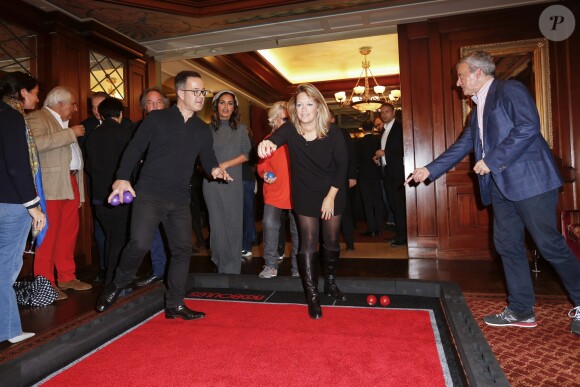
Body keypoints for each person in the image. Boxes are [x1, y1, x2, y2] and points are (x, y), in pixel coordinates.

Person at [406, 50, 580, 335]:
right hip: (500, 187)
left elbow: (528, 127)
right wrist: (429, 169)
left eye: (461, 76)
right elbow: (463, 146)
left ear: (477, 72)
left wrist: (492, 160)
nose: (458, 83)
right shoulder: (477, 111)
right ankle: (521, 311)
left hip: (530, 182)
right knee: (507, 247)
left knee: (549, 245)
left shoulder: (509, 89)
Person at [96, 71, 231, 320]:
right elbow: (134, 148)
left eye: (203, 92)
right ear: (181, 93)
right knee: (139, 244)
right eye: (196, 91)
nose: (201, 96)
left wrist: (215, 170)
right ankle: (117, 283)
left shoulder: (202, 130)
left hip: (179, 199)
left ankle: (175, 304)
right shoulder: (157, 119)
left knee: (181, 250)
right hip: (149, 194)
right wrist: (123, 176)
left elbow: (208, 159)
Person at [257, 84, 348, 319]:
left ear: (318, 106)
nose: (304, 109)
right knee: (307, 243)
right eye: (299, 104)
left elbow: (342, 168)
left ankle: (329, 282)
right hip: (305, 194)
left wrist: (330, 198)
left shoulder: (332, 132)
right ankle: (313, 297)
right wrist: (265, 144)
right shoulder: (290, 129)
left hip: (332, 192)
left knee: (330, 242)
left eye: (309, 104)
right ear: (293, 108)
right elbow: (275, 139)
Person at [28, 86, 92, 300]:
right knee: (48, 236)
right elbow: (35, 145)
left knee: (68, 234)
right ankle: (45, 282)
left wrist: (80, 193)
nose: (75, 108)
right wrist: (69, 133)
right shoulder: (38, 117)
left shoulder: (64, 122)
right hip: (51, 185)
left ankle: (66, 276)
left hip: (70, 181)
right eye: (72, 103)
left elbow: (75, 159)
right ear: (60, 103)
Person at [0, 72, 46, 344]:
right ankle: (8, 330)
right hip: (12, 203)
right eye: (36, 92)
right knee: (6, 269)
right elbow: (17, 165)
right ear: (22, 92)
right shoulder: (13, 117)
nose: (37, 98)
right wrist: (33, 206)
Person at [80, 91, 133, 282]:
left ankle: (111, 278)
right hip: (121, 196)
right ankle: (117, 282)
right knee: (120, 239)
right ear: (120, 114)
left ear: (101, 115)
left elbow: (90, 167)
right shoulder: (126, 135)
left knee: (110, 237)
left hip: (99, 196)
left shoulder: (92, 137)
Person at [203, 90, 251, 274]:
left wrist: (225, 164)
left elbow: (247, 154)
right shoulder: (206, 129)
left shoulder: (241, 129)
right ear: (216, 106)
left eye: (230, 103)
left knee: (233, 222)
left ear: (234, 108)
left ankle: (232, 267)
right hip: (212, 183)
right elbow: (202, 155)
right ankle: (219, 261)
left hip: (233, 182)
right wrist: (215, 168)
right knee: (216, 224)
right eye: (222, 103)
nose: (226, 107)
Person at [133, 87, 171, 287]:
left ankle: (173, 273)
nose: (154, 106)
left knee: (172, 232)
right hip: (147, 187)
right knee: (152, 231)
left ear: (164, 105)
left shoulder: (176, 125)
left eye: (158, 102)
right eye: (150, 102)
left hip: (171, 187)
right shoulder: (140, 127)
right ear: (144, 107)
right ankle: (159, 270)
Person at [257, 101, 299, 278]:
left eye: (290, 120)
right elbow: (262, 165)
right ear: (274, 120)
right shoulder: (267, 141)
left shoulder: (296, 139)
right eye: (284, 119)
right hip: (274, 191)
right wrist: (265, 173)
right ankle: (270, 265)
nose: (288, 124)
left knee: (299, 229)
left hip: (296, 191)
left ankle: (299, 267)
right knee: (269, 224)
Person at [374, 103, 406, 246]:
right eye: (382, 112)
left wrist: (385, 153)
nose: (384, 115)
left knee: (399, 205)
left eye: (387, 112)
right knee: (393, 205)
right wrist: (380, 159)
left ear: (394, 112)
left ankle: (404, 236)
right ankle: (400, 234)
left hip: (398, 172)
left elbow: (404, 147)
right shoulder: (384, 130)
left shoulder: (400, 127)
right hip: (387, 172)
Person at [357, 120, 384, 237]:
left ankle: (371, 229)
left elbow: (356, 160)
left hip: (363, 176)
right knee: (377, 201)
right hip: (376, 175)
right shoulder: (378, 140)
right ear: (373, 128)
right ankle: (378, 228)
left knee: (367, 203)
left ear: (362, 129)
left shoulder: (358, 142)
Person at [241, 129, 258, 257]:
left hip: (245, 180)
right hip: (244, 180)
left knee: (246, 213)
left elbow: (254, 161)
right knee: (247, 213)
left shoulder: (247, 142)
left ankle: (247, 245)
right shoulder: (250, 143)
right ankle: (247, 243)